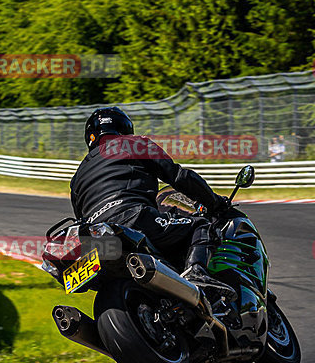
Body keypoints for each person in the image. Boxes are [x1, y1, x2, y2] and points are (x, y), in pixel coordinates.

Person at [70, 106, 234, 296]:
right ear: (125, 129)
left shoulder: (77, 176)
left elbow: (79, 217)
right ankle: (197, 274)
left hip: (95, 236)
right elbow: (179, 177)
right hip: (134, 216)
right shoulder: (134, 144)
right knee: (201, 226)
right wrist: (215, 203)